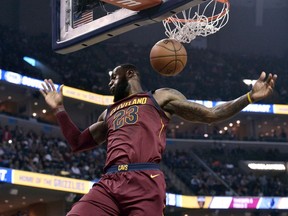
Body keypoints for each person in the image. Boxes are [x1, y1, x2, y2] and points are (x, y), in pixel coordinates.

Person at [40, 63, 277, 216]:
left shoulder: (160, 97)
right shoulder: (108, 112)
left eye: (113, 75)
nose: (110, 81)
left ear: (130, 73)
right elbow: (78, 143)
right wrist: (59, 109)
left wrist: (249, 97)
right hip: (109, 181)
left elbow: (211, 115)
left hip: (144, 179)